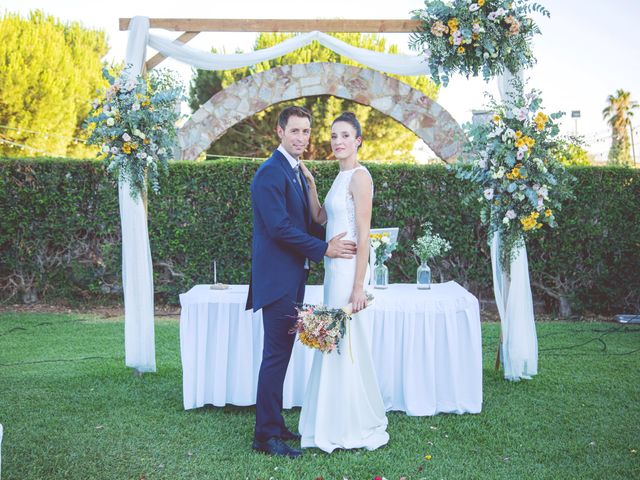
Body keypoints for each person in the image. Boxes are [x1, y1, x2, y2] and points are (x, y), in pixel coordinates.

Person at [246, 106, 358, 459]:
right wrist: (325, 249)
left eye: (306, 132)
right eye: (295, 131)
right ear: (280, 132)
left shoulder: (293, 172)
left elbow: (305, 222)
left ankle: (275, 425)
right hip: (277, 281)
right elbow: (280, 229)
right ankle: (264, 436)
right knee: (275, 356)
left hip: (292, 280)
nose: (301, 138)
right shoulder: (270, 173)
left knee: (281, 354)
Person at [298, 112, 389, 452]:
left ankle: (348, 422)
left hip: (348, 273)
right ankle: (328, 418)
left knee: (344, 343)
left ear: (358, 140)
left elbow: (364, 235)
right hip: (331, 272)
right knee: (331, 342)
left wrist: (357, 286)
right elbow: (321, 217)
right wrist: (312, 187)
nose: (338, 141)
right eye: (334, 136)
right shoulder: (339, 177)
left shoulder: (360, 177)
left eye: (345, 136)